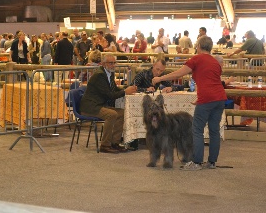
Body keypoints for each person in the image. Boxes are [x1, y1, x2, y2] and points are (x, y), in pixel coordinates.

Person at [152, 36, 226, 171]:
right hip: (220, 98)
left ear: (198, 46)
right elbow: (212, 81)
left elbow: (178, 74)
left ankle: (196, 162)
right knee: (214, 130)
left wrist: (160, 78)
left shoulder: (196, 59)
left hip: (207, 99)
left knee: (197, 129)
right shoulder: (215, 62)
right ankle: (211, 162)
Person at [80, 54, 137, 153]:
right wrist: (125, 92)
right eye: (111, 63)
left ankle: (115, 143)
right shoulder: (99, 75)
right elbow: (109, 95)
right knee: (112, 115)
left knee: (122, 113)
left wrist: (127, 89)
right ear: (103, 63)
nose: (113, 65)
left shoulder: (110, 74)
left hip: (100, 105)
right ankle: (105, 145)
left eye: (114, 63)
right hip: (91, 107)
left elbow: (114, 89)